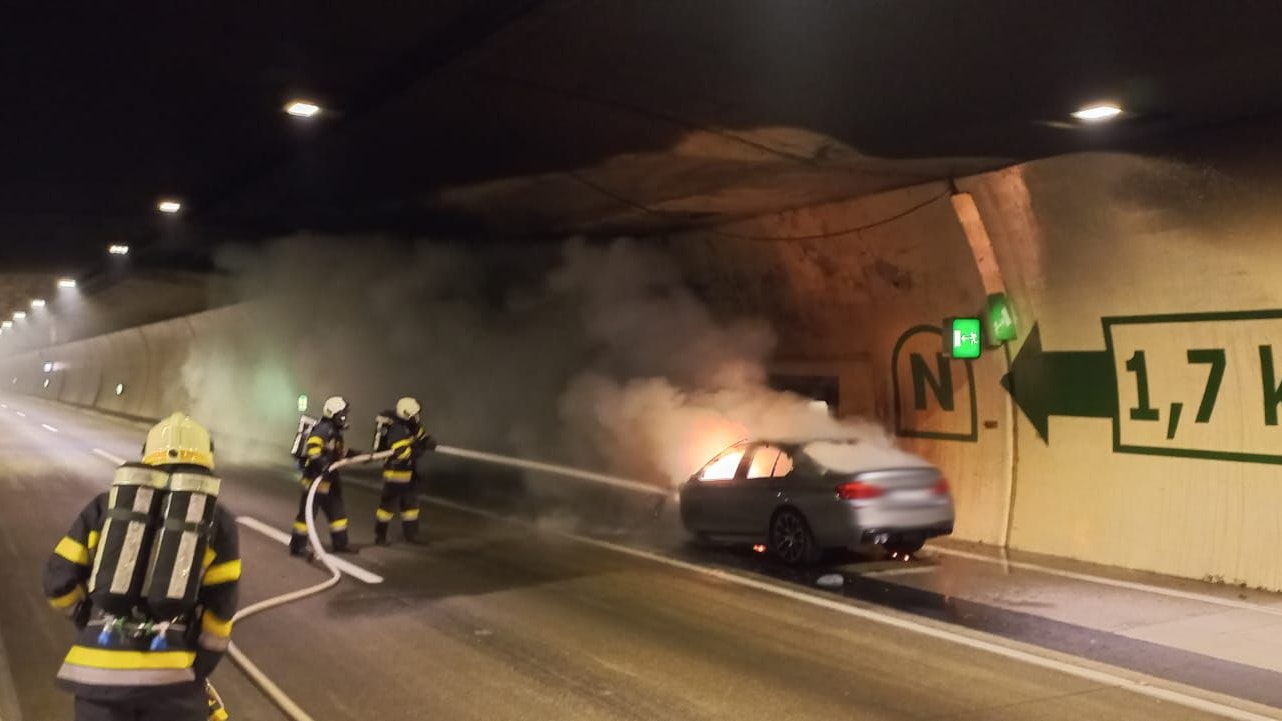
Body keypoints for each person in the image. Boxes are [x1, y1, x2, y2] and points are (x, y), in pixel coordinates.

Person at [44, 413, 239, 721]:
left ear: (147, 458)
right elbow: (220, 612)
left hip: (97, 678)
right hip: (173, 686)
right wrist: (197, 669)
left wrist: (86, 619)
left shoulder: (104, 507)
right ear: (207, 460)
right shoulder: (218, 521)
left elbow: (58, 582)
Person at [290, 395, 355, 556]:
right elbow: (313, 450)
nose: (345, 417)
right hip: (315, 479)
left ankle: (340, 544)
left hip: (330, 479)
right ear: (333, 414)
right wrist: (323, 465)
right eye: (342, 414)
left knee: (337, 513)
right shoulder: (323, 429)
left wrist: (352, 454)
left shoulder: (335, 431)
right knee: (307, 515)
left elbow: (335, 452)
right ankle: (297, 548)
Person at [374, 397, 436, 545]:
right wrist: (420, 450)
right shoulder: (395, 428)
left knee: (411, 506)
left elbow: (421, 435)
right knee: (387, 508)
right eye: (413, 414)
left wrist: (428, 441)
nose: (416, 417)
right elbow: (402, 452)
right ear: (406, 413)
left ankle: (411, 535)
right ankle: (380, 536)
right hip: (395, 472)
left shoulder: (411, 423)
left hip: (409, 471)